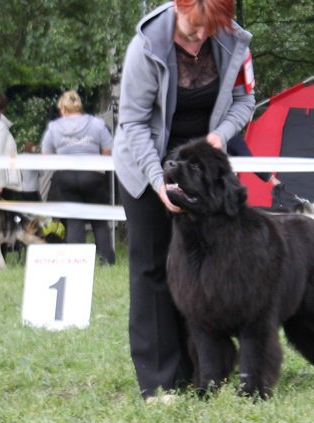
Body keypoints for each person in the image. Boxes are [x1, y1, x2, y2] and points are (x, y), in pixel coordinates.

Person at [112, 0, 255, 402]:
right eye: (194, 27)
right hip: (147, 167)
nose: (200, 37)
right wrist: (159, 182)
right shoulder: (145, 47)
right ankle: (160, 381)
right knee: (154, 269)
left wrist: (221, 135)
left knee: (203, 270)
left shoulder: (232, 40)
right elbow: (134, 123)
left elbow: (246, 100)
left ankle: (204, 370)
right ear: (179, 6)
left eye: (209, 29)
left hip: (201, 171)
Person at [41, 90, 115, 265]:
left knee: (74, 219)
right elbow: (108, 150)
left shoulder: (54, 127)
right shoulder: (97, 124)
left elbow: (46, 155)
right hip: (92, 175)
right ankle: (107, 261)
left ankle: (77, 262)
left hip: (66, 177)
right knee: (99, 221)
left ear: (64, 109)